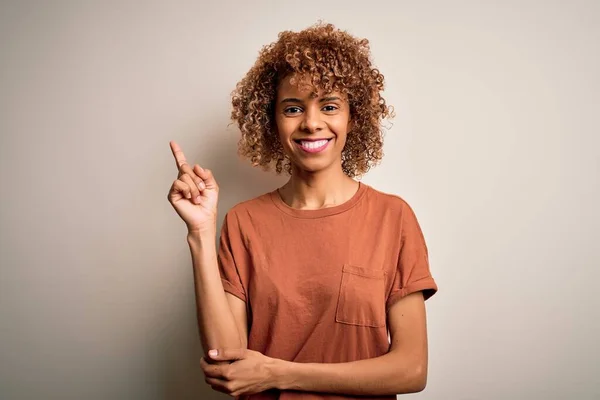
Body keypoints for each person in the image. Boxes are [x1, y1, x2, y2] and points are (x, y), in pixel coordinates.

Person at [167, 23, 438, 400]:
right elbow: (225, 364)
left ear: (352, 118)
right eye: (293, 108)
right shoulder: (244, 222)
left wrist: (279, 373)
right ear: (271, 121)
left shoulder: (393, 217)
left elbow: (411, 370)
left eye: (329, 106)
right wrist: (199, 232)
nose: (311, 123)